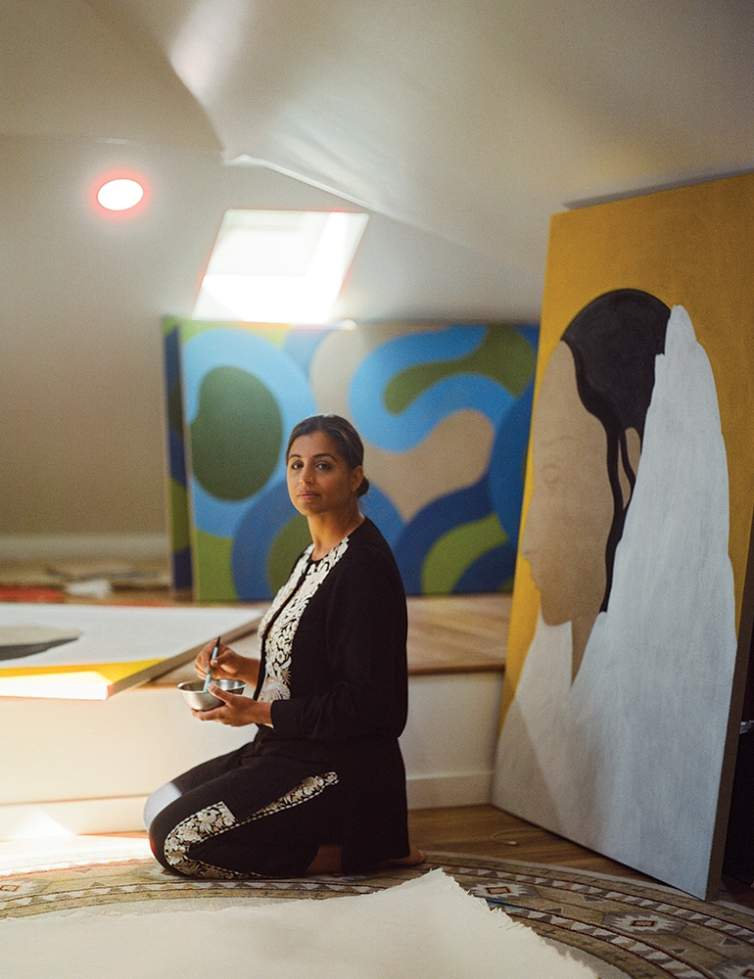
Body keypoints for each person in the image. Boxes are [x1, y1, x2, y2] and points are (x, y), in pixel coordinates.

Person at [145, 414, 423, 879]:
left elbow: (370, 706)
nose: (306, 478)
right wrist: (246, 669)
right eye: (296, 465)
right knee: (159, 808)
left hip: (337, 766)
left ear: (355, 477)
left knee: (175, 843)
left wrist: (253, 712)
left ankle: (361, 851)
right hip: (282, 746)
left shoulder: (364, 569)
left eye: (323, 465)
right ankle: (350, 842)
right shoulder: (312, 557)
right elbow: (313, 670)